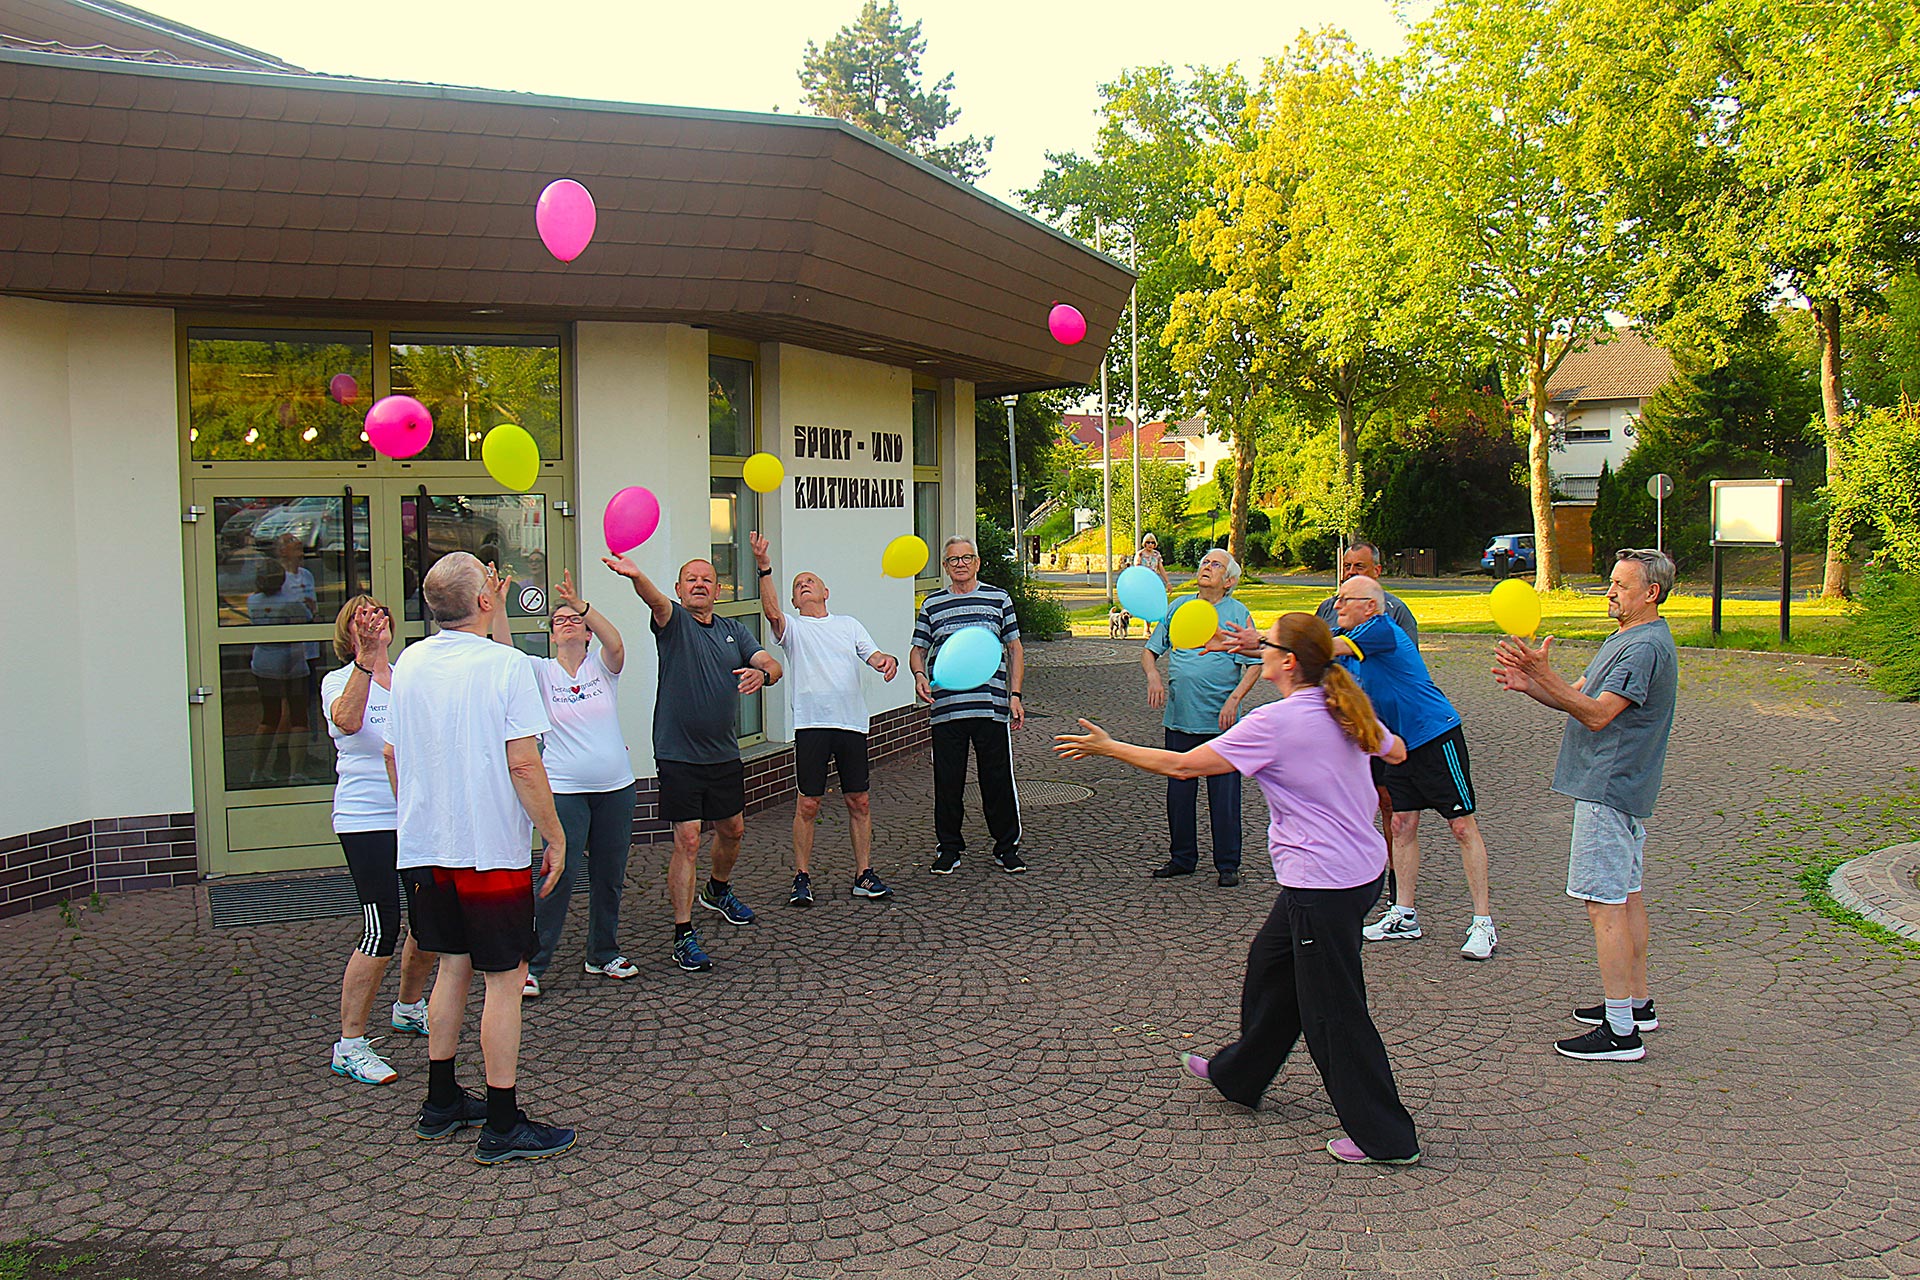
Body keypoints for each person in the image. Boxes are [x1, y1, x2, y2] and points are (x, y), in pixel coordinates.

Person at [1054, 613, 1420, 1165]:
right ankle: (1240, 1073)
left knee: (1334, 1012)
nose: (1258, 649)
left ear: (1288, 662)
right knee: (1271, 966)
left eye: (1267, 644)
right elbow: (1397, 752)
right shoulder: (1343, 704)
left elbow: (1183, 766)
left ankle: (1387, 1138)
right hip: (1355, 873)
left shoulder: (1276, 721)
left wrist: (1110, 748)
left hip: (1323, 885)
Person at [383, 553, 573, 1164]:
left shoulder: (410, 663)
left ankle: (441, 1100)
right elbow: (524, 763)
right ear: (487, 600)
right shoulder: (507, 666)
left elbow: (392, 753)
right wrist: (555, 835)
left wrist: (419, 814)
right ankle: (502, 1120)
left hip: (425, 847)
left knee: (451, 967)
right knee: (505, 980)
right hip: (489, 849)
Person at [1493, 548, 1679, 1062]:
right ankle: (1637, 1005)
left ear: (1651, 593)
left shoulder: (1643, 648)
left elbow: (1597, 715)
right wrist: (1532, 684)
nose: (1610, 592)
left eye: (1621, 585)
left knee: (1605, 904)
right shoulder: (1626, 639)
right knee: (1627, 895)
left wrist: (1543, 673)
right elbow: (1577, 695)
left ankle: (1620, 1032)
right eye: (1611, 583)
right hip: (1619, 788)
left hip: (1608, 788)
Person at [602, 553, 783, 972]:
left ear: (718, 590)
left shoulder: (734, 631)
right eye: (690, 579)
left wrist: (763, 675)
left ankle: (717, 890)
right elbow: (655, 602)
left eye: (706, 579)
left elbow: (772, 664)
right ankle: (683, 934)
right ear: (680, 589)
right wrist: (637, 576)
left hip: (723, 753)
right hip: (678, 753)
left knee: (733, 830)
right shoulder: (674, 623)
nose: (699, 584)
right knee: (687, 839)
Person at [1330, 577, 1498, 960]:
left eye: (1345, 599)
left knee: (1461, 826)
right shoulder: (1348, 636)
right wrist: (1251, 643)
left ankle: (1483, 923)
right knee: (1402, 824)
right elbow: (1307, 654)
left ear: (1369, 605)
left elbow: (1317, 645)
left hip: (1436, 736)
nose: (1337, 605)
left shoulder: (1379, 629)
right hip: (1400, 745)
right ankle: (1404, 915)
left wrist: (1277, 638)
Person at [506, 570, 638, 997]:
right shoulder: (540, 672)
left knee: (609, 875)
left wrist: (583, 605)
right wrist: (496, 606)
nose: (567, 623)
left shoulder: (602, 667)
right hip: (563, 791)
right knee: (558, 874)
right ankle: (533, 963)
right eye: (559, 620)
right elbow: (504, 652)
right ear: (551, 635)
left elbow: (616, 643)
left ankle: (603, 952)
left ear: (586, 632)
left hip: (615, 788)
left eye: (575, 620)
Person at [749, 531, 898, 907]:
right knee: (808, 804)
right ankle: (801, 876)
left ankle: (864, 874)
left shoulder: (849, 625)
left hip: (851, 725)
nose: (803, 585)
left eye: (809, 581)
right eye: (798, 585)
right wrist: (764, 567)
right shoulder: (793, 629)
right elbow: (771, 612)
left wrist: (886, 661)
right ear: (794, 601)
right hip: (812, 726)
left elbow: (874, 655)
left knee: (859, 801)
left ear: (826, 592)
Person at [322, 595, 434, 1085]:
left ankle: (408, 1008)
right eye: (362, 617)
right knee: (381, 927)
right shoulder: (338, 680)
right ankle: (349, 1044)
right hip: (366, 818)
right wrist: (366, 659)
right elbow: (347, 721)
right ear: (348, 633)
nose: (375, 621)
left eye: (379, 613)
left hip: (414, 817)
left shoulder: (409, 677)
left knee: (429, 922)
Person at [1141, 548, 1260, 887]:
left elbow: (1255, 663)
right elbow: (1150, 651)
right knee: (1179, 795)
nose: (1207, 567)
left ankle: (1227, 864)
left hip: (1221, 723)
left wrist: (1234, 700)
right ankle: (1182, 858)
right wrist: (1153, 676)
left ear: (1229, 580)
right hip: (1180, 716)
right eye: (1205, 562)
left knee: (1224, 797)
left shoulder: (1237, 613)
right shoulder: (1179, 607)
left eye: (1215, 564)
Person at [911, 535, 1025, 875]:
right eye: (953, 560)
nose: (960, 564)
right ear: (945, 567)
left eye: (966, 558)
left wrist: (1015, 695)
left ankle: (1006, 847)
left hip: (991, 707)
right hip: (946, 709)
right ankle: (949, 849)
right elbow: (918, 649)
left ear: (977, 562)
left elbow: (1015, 648)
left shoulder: (998, 598)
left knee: (997, 780)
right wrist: (919, 675)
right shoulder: (932, 604)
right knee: (948, 783)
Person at [246, 561, 314, 784]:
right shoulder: (291, 601)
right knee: (299, 717)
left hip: (264, 662)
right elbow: (307, 618)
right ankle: (296, 772)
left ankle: (257, 770)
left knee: (269, 716)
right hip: (291, 663)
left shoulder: (252, 601)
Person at [1314, 541, 1418, 647]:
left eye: (1359, 567)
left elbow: (1409, 652)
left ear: (1376, 571)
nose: (1351, 572)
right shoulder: (1328, 607)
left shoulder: (1396, 610)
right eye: (1347, 566)